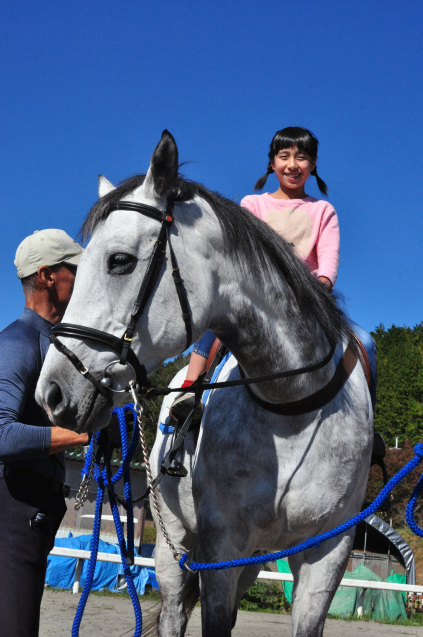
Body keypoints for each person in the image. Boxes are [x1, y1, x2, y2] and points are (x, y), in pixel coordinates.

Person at [171, 126, 376, 421]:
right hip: (259, 298)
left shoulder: (324, 210)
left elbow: (328, 262)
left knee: (365, 342)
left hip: (309, 302)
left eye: (302, 157)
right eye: (284, 156)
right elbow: (242, 257)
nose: (293, 165)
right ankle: (190, 391)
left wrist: (318, 288)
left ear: (313, 165)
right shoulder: (253, 205)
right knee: (212, 330)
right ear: (272, 163)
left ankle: (368, 422)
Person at [0, 229, 90, 637]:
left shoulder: (53, 345)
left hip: (33, 508)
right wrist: (81, 435)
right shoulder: (18, 343)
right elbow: (1, 436)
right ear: (46, 277)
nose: (85, 277)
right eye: (76, 268)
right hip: (14, 507)